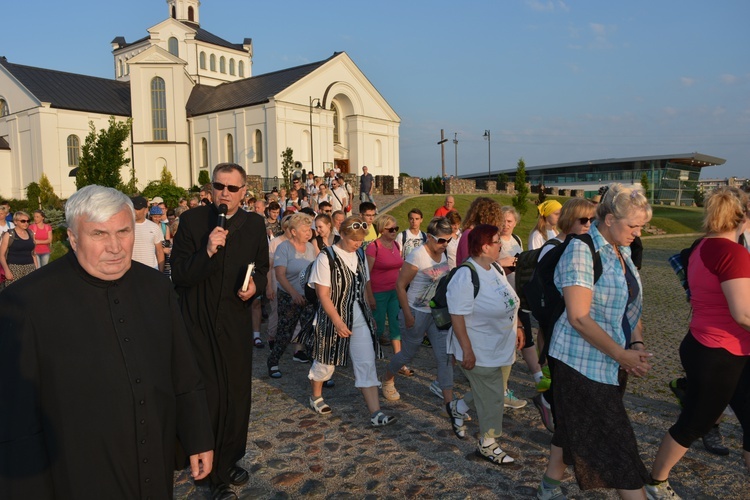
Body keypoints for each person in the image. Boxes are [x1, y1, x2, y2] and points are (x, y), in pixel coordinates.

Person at [0, 185, 214, 499]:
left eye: (123, 231)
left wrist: (198, 436)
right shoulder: (25, 303)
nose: (115, 247)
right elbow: (16, 422)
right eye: (99, 234)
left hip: (152, 461)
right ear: (73, 239)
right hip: (77, 475)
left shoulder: (156, 287)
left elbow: (182, 368)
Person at [537, 183, 653, 500]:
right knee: (618, 445)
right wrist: (622, 354)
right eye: (633, 226)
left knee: (575, 425)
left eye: (640, 227)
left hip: (612, 361)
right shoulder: (581, 249)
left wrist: (637, 345)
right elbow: (578, 317)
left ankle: (547, 487)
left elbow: (631, 305)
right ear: (610, 218)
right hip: (578, 362)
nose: (637, 233)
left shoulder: (623, 250)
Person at [171, 163, 270, 500]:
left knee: (237, 393)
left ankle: (228, 459)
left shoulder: (255, 224)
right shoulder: (192, 222)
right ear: (211, 189)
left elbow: (263, 269)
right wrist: (208, 250)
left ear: (244, 192)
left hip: (234, 321)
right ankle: (212, 476)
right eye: (219, 186)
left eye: (232, 188)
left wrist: (254, 287)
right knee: (209, 397)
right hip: (197, 323)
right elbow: (180, 275)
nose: (224, 193)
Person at [646, 186, 750, 499]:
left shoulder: (702, 245)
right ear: (743, 218)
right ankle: (656, 483)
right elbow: (743, 313)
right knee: (694, 423)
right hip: (718, 353)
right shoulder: (733, 253)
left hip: (721, 348)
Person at [302, 216, 396, 427]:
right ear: (341, 234)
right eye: (354, 239)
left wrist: (369, 300)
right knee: (326, 362)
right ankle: (316, 396)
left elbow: (365, 281)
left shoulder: (361, 253)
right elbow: (323, 295)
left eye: (361, 239)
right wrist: (337, 321)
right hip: (332, 317)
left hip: (359, 317)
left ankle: (375, 412)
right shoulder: (327, 257)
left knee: (366, 362)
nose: (358, 243)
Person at [447, 224, 523, 463]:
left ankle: (458, 407)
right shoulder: (465, 275)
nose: (501, 245)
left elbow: (511, 300)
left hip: (502, 346)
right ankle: (488, 443)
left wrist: (518, 327)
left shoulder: (496, 268)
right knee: (493, 398)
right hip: (479, 349)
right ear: (483, 246)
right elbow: (457, 315)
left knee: (493, 388)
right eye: (497, 241)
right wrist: (467, 350)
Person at [531, 198, 597, 433]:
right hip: (560, 321)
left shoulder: (585, 246)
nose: (589, 224)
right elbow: (547, 290)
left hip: (574, 321)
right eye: (583, 219)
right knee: (563, 379)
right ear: (570, 220)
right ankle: (552, 408)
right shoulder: (554, 247)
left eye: (592, 219)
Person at [382, 217, 461, 411]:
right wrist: (407, 315)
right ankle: (387, 379)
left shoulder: (442, 254)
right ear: (430, 237)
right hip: (415, 312)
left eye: (448, 240)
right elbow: (400, 286)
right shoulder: (417, 256)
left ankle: (449, 404)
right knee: (408, 354)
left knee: (444, 357)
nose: (445, 244)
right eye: (441, 240)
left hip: (436, 314)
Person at [266, 213, 315, 378]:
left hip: (308, 297)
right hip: (288, 296)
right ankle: (273, 362)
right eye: (304, 229)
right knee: (285, 333)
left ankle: (319, 371)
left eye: (309, 229)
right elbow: (280, 275)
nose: (308, 233)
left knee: (311, 332)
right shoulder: (284, 248)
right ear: (293, 231)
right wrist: (293, 294)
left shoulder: (310, 247)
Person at [366, 214, 409, 368]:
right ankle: (369, 353)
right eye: (390, 229)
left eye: (396, 228)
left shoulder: (396, 246)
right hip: (378, 291)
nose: (394, 231)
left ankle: (399, 358)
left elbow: (400, 266)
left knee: (395, 323)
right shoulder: (373, 247)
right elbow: (366, 274)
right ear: (381, 230)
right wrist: (369, 295)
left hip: (394, 291)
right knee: (378, 324)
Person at [0, 211, 38, 287]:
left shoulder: (30, 233)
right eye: (23, 221)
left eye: (28, 221)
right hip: (14, 268)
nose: (26, 223)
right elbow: (1, 255)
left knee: (29, 291)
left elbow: (33, 253)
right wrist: (7, 271)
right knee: (14, 293)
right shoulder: (9, 234)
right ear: (15, 222)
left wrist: (36, 269)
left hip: (30, 267)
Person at [131, 196, 165, 272]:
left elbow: (159, 251)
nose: (134, 211)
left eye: (137, 209)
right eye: (132, 208)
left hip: (151, 270)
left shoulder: (154, 227)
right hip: (131, 272)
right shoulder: (126, 226)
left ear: (146, 210)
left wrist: (160, 273)